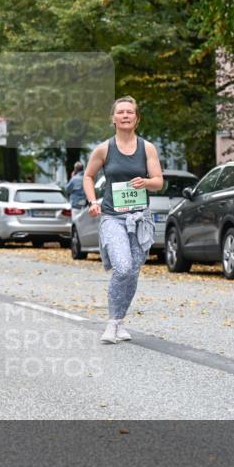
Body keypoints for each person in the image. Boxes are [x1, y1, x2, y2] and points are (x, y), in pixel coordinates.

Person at [82, 96, 164, 345]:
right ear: (113, 118)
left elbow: (159, 182)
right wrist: (93, 201)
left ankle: (120, 320)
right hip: (113, 218)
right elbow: (88, 176)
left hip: (140, 219)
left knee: (133, 272)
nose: (126, 115)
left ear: (137, 118)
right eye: (121, 112)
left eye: (130, 112)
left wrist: (146, 182)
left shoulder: (147, 147)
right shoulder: (104, 149)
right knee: (123, 267)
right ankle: (112, 322)